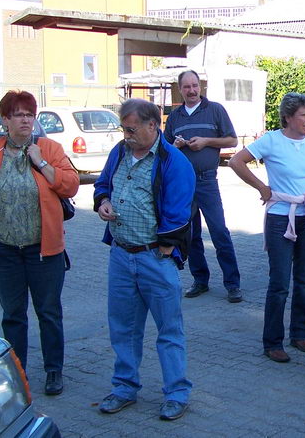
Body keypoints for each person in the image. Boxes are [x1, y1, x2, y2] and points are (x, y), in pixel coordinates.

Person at [0, 90, 78, 396]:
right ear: (6, 120)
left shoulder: (50, 149)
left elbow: (69, 186)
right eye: (19, 114)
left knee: (48, 312)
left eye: (30, 114)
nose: (26, 120)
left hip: (44, 251)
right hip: (4, 250)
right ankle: (17, 371)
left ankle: (53, 370)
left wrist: (42, 163)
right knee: (13, 314)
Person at [93, 98, 195, 420]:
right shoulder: (119, 152)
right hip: (121, 256)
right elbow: (102, 183)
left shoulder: (174, 162)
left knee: (169, 330)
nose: (126, 135)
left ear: (153, 125)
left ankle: (177, 393)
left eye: (131, 129)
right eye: (124, 129)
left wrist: (165, 248)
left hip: (155, 258)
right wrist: (103, 202)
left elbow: (181, 211)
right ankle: (124, 387)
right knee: (123, 327)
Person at [229, 92, 305, 363]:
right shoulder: (272, 140)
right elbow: (235, 161)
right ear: (288, 117)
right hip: (280, 217)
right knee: (279, 282)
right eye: (303, 115)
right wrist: (262, 187)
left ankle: (300, 334)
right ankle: (273, 342)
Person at [164, 69, 242, 303]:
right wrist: (175, 145)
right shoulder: (175, 117)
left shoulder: (215, 110)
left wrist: (207, 141)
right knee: (191, 234)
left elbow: (232, 140)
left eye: (195, 85)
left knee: (219, 232)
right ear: (180, 89)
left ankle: (233, 284)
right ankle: (200, 280)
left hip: (207, 180)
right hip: (183, 184)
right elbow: (164, 149)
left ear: (201, 87)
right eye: (186, 87)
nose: (191, 90)